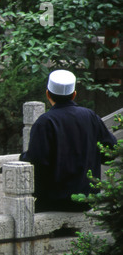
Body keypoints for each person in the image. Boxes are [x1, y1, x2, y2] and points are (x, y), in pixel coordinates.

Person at [20, 69, 117, 212]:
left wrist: (22, 157)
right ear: (74, 94)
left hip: (55, 201)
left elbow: (37, 161)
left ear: (48, 94)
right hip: (87, 199)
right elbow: (110, 150)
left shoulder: (45, 122)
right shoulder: (90, 116)